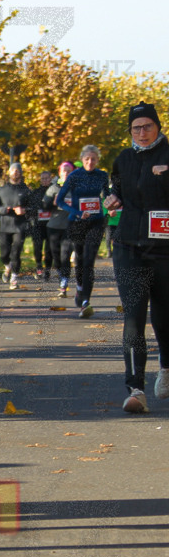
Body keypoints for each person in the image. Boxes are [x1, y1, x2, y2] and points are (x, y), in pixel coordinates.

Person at [105, 102, 169, 414]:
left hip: (166, 250)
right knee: (133, 316)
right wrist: (114, 198)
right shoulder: (123, 159)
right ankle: (135, 388)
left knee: (164, 317)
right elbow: (119, 190)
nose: (142, 133)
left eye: (147, 126)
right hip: (129, 245)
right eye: (135, 128)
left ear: (158, 126)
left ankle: (167, 368)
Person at [57, 145, 107, 318]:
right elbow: (60, 201)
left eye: (93, 159)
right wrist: (78, 212)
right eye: (87, 159)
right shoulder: (74, 176)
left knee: (89, 260)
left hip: (96, 222)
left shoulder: (102, 176)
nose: (90, 162)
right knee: (79, 259)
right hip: (77, 222)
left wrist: (110, 207)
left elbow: (107, 196)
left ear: (97, 160)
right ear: (82, 159)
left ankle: (86, 301)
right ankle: (79, 288)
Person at [0, 162, 30, 289]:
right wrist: (4, 210)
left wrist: (25, 210)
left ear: (20, 173)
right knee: (4, 254)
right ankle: (7, 267)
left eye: (17, 170)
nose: (15, 172)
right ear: (9, 172)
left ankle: (14, 277)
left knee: (16, 252)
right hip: (5, 226)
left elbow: (33, 208)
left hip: (19, 226)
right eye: (13, 170)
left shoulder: (25, 190)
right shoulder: (2, 189)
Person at [44, 161, 75, 296]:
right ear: (60, 173)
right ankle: (61, 273)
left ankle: (64, 281)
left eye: (69, 171)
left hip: (70, 226)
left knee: (65, 254)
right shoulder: (53, 189)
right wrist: (53, 202)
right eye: (64, 171)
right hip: (54, 226)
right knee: (56, 255)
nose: (66, 173)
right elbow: (44, 206)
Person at [27, 170, 54, 281]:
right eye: (42, 178)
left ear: (51, 179)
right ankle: (39, 267)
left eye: (47, 178)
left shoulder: (54, 191)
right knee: (37, 247)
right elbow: (30, 207)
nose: (45, 180)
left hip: (51, 224)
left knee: (49, 249)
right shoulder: (36, 192)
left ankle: (47, 270)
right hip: (38, 224)